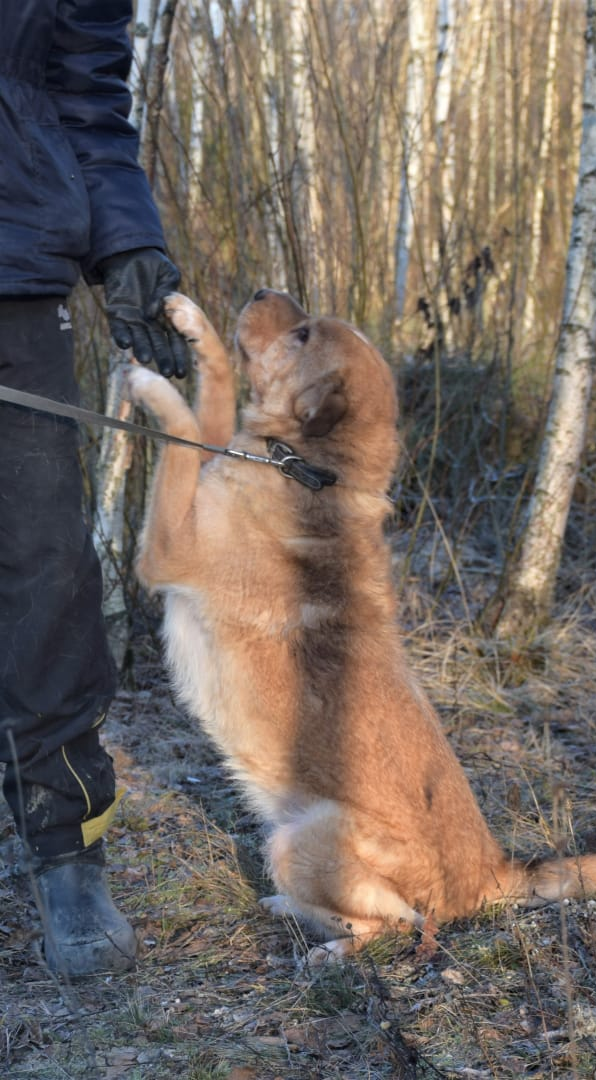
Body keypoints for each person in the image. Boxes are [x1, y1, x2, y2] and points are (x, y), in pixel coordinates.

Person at [0, 1, 190, 977]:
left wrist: (126, 243)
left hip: (14, 271)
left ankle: (64, 846)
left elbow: (82, 92)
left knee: (46, 570)